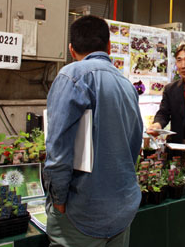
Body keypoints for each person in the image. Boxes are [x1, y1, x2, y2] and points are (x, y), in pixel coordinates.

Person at [44, 15, 143, 247]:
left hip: (83, 213)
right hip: (122, 209)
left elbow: (58, 149)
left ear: (71, 49)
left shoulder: (71, 76)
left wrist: (58, 201)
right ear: (109, 46)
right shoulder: (126, 84)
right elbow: (134, 145)